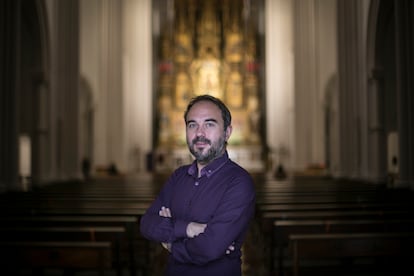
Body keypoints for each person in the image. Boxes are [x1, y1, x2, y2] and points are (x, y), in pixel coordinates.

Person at [140, 94, 256, 276]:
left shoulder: (239, 182)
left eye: (209, 124)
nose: (199, 133)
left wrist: (170, 243)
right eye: (192, 125)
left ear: (227, 132)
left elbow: (210, 248)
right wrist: (189, 228)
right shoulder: (178, 176)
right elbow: (147, 223)